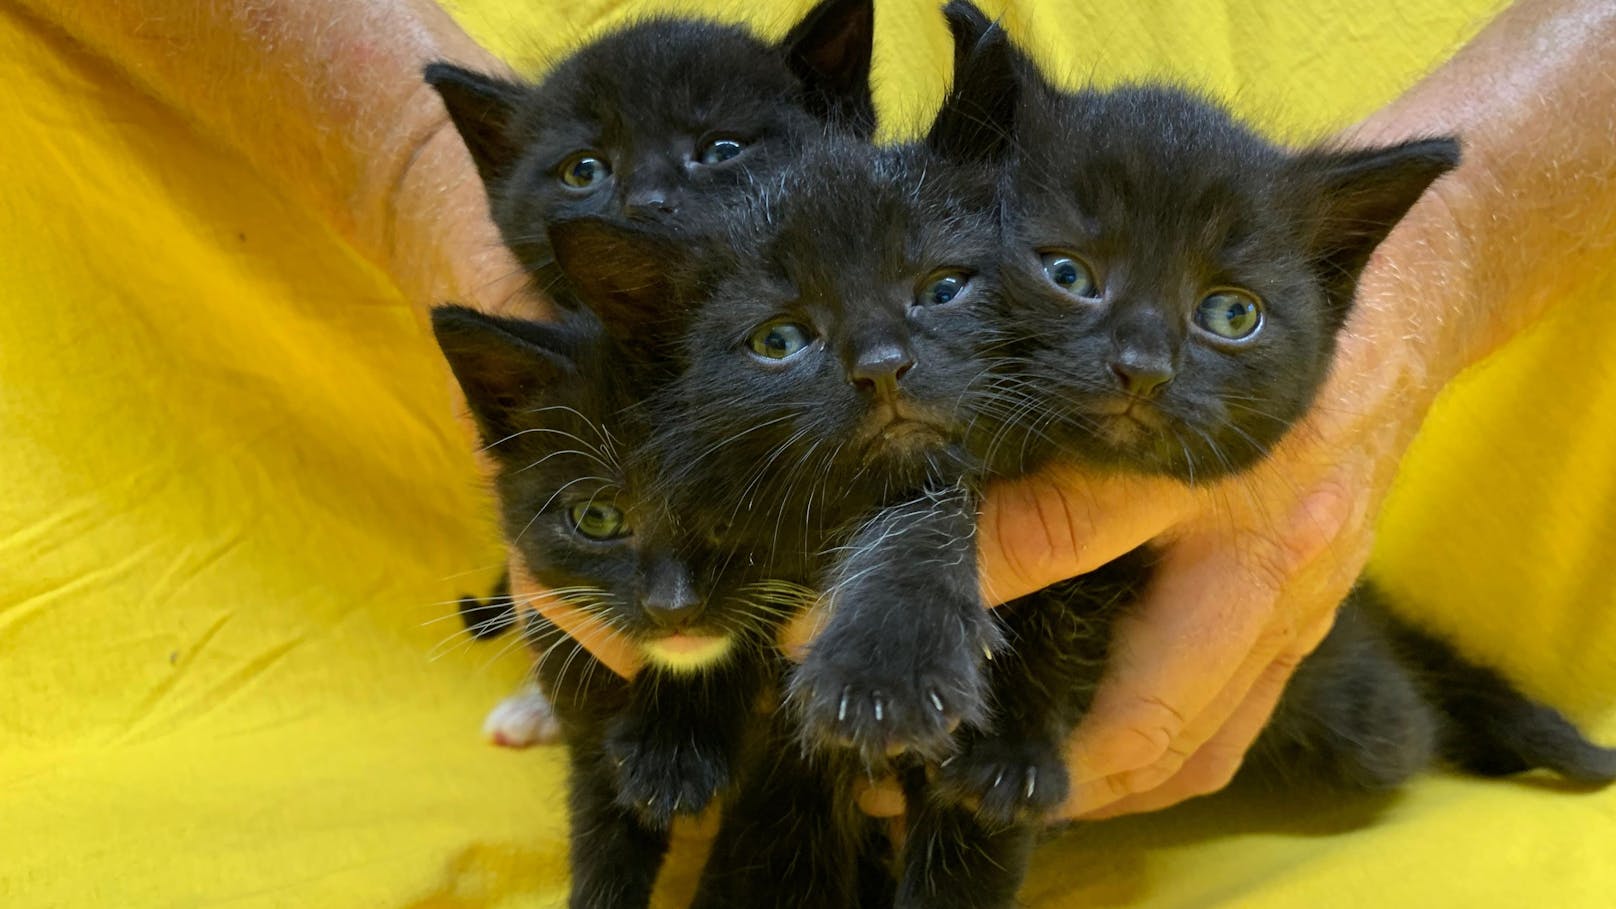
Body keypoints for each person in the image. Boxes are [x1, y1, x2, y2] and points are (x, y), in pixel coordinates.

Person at [34, 0, 1615, 823]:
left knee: (1343, 735)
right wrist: (428, 182)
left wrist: (1445, 262)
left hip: (1453, 503)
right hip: (251, 503)